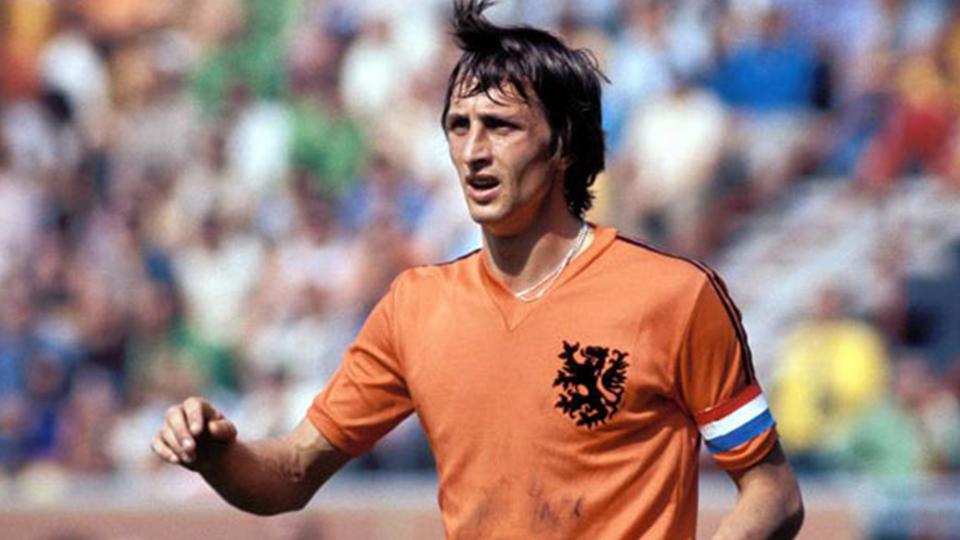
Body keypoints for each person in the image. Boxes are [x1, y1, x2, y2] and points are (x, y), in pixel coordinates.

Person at [151, 1, 804, 538]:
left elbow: (772, 490)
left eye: (500, 126)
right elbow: (292, 474)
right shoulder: (416, 305)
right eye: (458, 126)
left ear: (563, 144)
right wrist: (218, 455)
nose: (473, 151)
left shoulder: (674, 296)